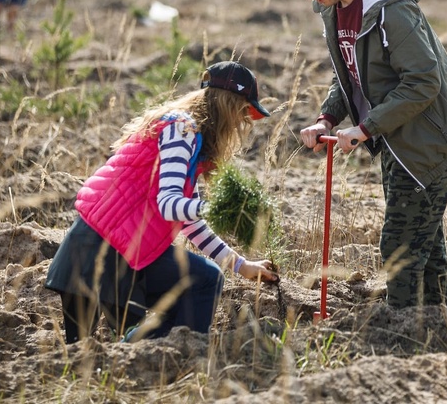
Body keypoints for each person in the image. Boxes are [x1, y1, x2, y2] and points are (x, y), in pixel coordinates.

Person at [285, 0, 447, 310]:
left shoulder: (390, 9)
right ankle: (440, 325)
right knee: (425, 238)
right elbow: (353, 73)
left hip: (431, 135)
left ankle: (403, 329)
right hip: (397, 133)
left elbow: (424, 82)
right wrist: (327, 119)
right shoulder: (333, 8)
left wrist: (366, 128)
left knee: (400, 244)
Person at [45, 61, 279, 343]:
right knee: (204, 280)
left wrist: (242, 266)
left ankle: (143, 352)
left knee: (83, 357)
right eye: (243, 112)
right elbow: (169, 204)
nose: (242, 124)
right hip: (98, 252)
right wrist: (218, 209)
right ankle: (179, 355)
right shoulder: (182, 131)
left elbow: (189, 223)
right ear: (228, 105)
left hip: (106, 250)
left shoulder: (190, 139)